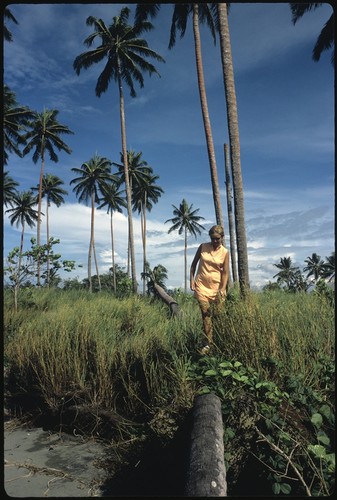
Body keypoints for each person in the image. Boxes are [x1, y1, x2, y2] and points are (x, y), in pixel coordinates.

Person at [190, 225, 229, 354]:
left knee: (218, 315)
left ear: (222, 237)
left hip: (217, 289)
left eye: (217, 239)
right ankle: (208, 344)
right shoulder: (203, 247)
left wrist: (222, 288)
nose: (215, 241)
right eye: (212, 239)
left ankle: (219, 341)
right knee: (206, 314)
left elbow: (225, 273)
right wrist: (192, 280)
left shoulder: (225, 252)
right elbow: (193, 264)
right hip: (201, 287)